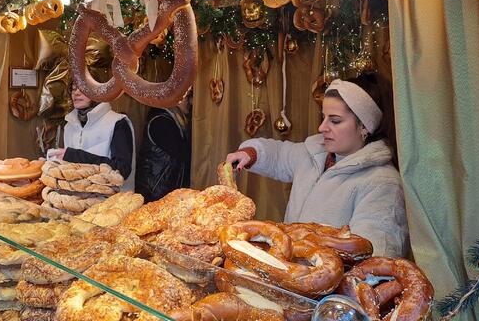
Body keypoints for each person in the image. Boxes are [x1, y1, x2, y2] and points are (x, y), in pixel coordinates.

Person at [226, 74, 408, 258]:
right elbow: (279, 154)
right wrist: (249, 154)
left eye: (335, 120)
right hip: (290, 272)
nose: (322, 127)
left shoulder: (383, 184)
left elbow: (373, 258)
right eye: (323, 117)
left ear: (365, 127)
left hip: (329, 283)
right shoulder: (313, 154)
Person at [50, 83, 136, 192]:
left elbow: (122, 170)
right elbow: (70, 170)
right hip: (78, 200)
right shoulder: (69, 126)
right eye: (73, 89)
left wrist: (75, 156)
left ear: (97, 91)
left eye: (83, 88)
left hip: (112, 202)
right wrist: (53, 164)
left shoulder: (117, 123)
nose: (76, 93)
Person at [135, 90, 192, 202]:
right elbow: (184, 154)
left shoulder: (172, 119)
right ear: (175, 98)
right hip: (155, 193)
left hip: (159, 191)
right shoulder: (161, 122)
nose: (191, 102)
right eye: (188, 97)